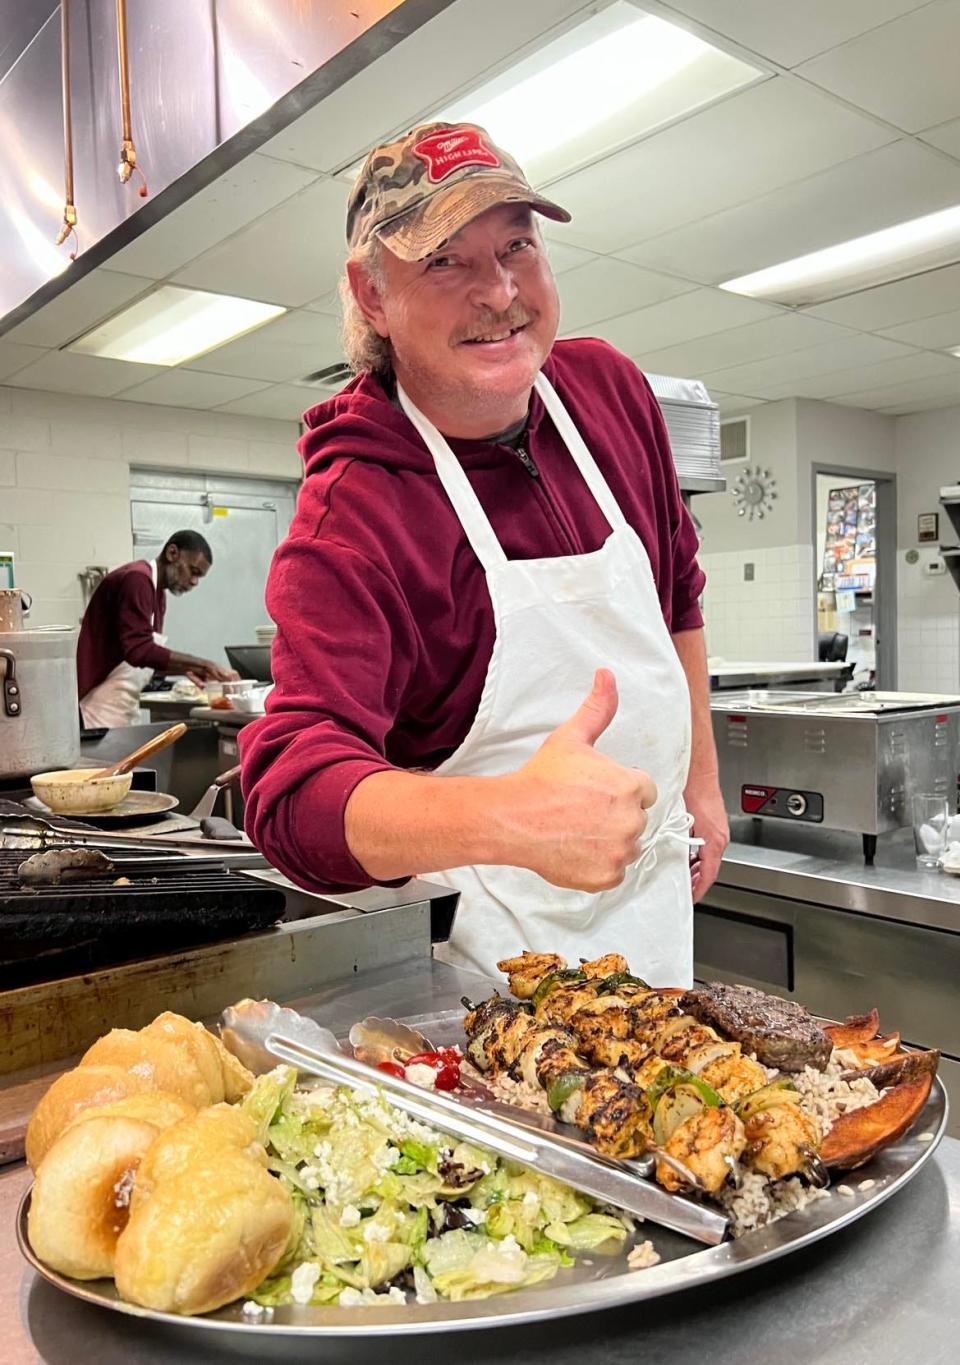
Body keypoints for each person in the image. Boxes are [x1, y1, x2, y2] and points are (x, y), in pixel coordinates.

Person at [240, 121, 729, 985]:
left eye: (517, 245)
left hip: (657, 907)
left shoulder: (611, 391)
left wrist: (702, 781)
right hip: (495, 972)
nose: (500, 291)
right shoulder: (355, 515)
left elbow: (676, 591)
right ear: (372, 294)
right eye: (444, 262)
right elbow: (289, 794)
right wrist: (507, 816)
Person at [77, 529, 236, 728]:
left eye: (199, 577)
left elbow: (142, 658)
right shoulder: (136, 579)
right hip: (98, 703)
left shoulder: (157, 593)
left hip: (122, 705)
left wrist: (185, 669)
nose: (194, 582)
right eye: (193, 571)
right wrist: (204, 665)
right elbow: (138, 650)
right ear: (172, 553)